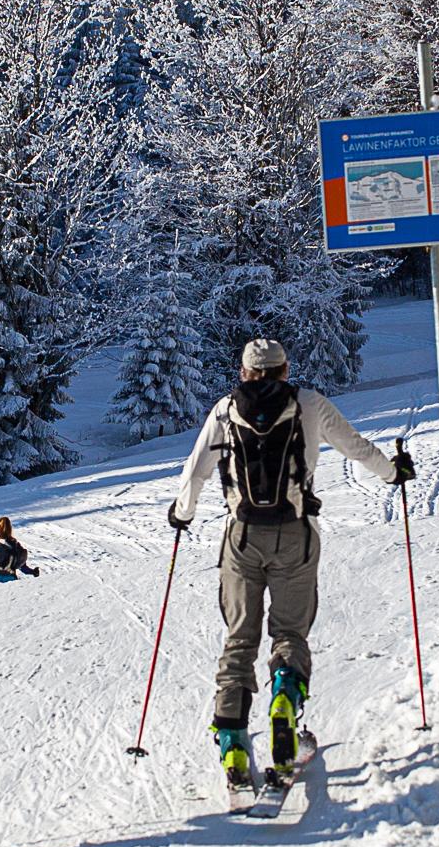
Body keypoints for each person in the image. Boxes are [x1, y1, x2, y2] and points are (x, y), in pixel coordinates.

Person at [166, 338, 414, 790]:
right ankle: (284, 700)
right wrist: (393, 472)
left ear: (243, 372)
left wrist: (182, 513)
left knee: (240, 638)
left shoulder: (224, 410)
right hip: (297, 534)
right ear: (284, 370)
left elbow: (196, 470)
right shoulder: (310, 404)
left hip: (241, 537)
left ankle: (234, 742)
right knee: (289, 633)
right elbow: (356, 448)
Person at [0, 516, 39, 583]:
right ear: (10, 528)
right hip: (10, 578)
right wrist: (33, 572)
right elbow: (21, 565)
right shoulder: (15, 545)